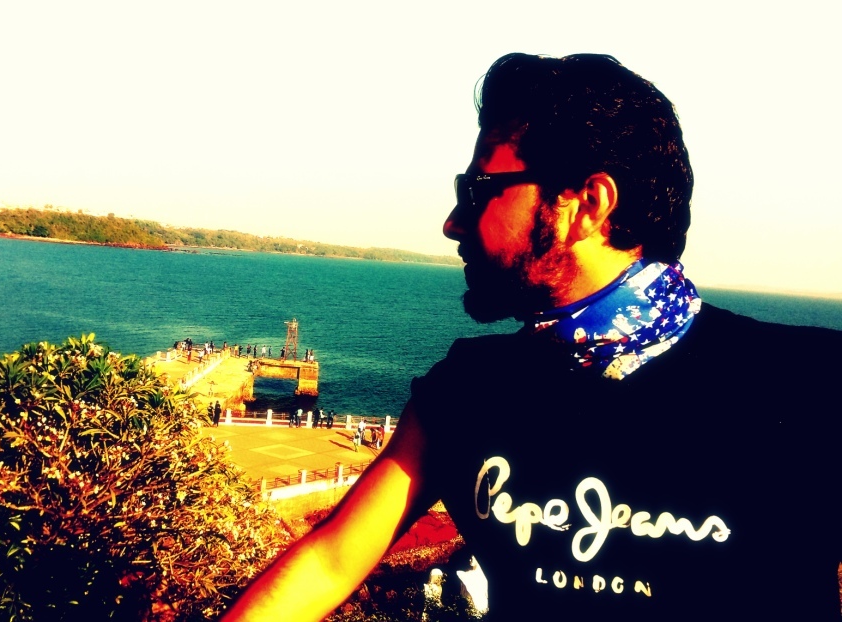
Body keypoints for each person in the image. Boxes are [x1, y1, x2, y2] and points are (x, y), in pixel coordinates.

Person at [219, 53, 842, 621]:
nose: (452, 222)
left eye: (478, 190)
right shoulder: (466, 389)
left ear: (587, 204)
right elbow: (329, 563)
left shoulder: (811, 384)